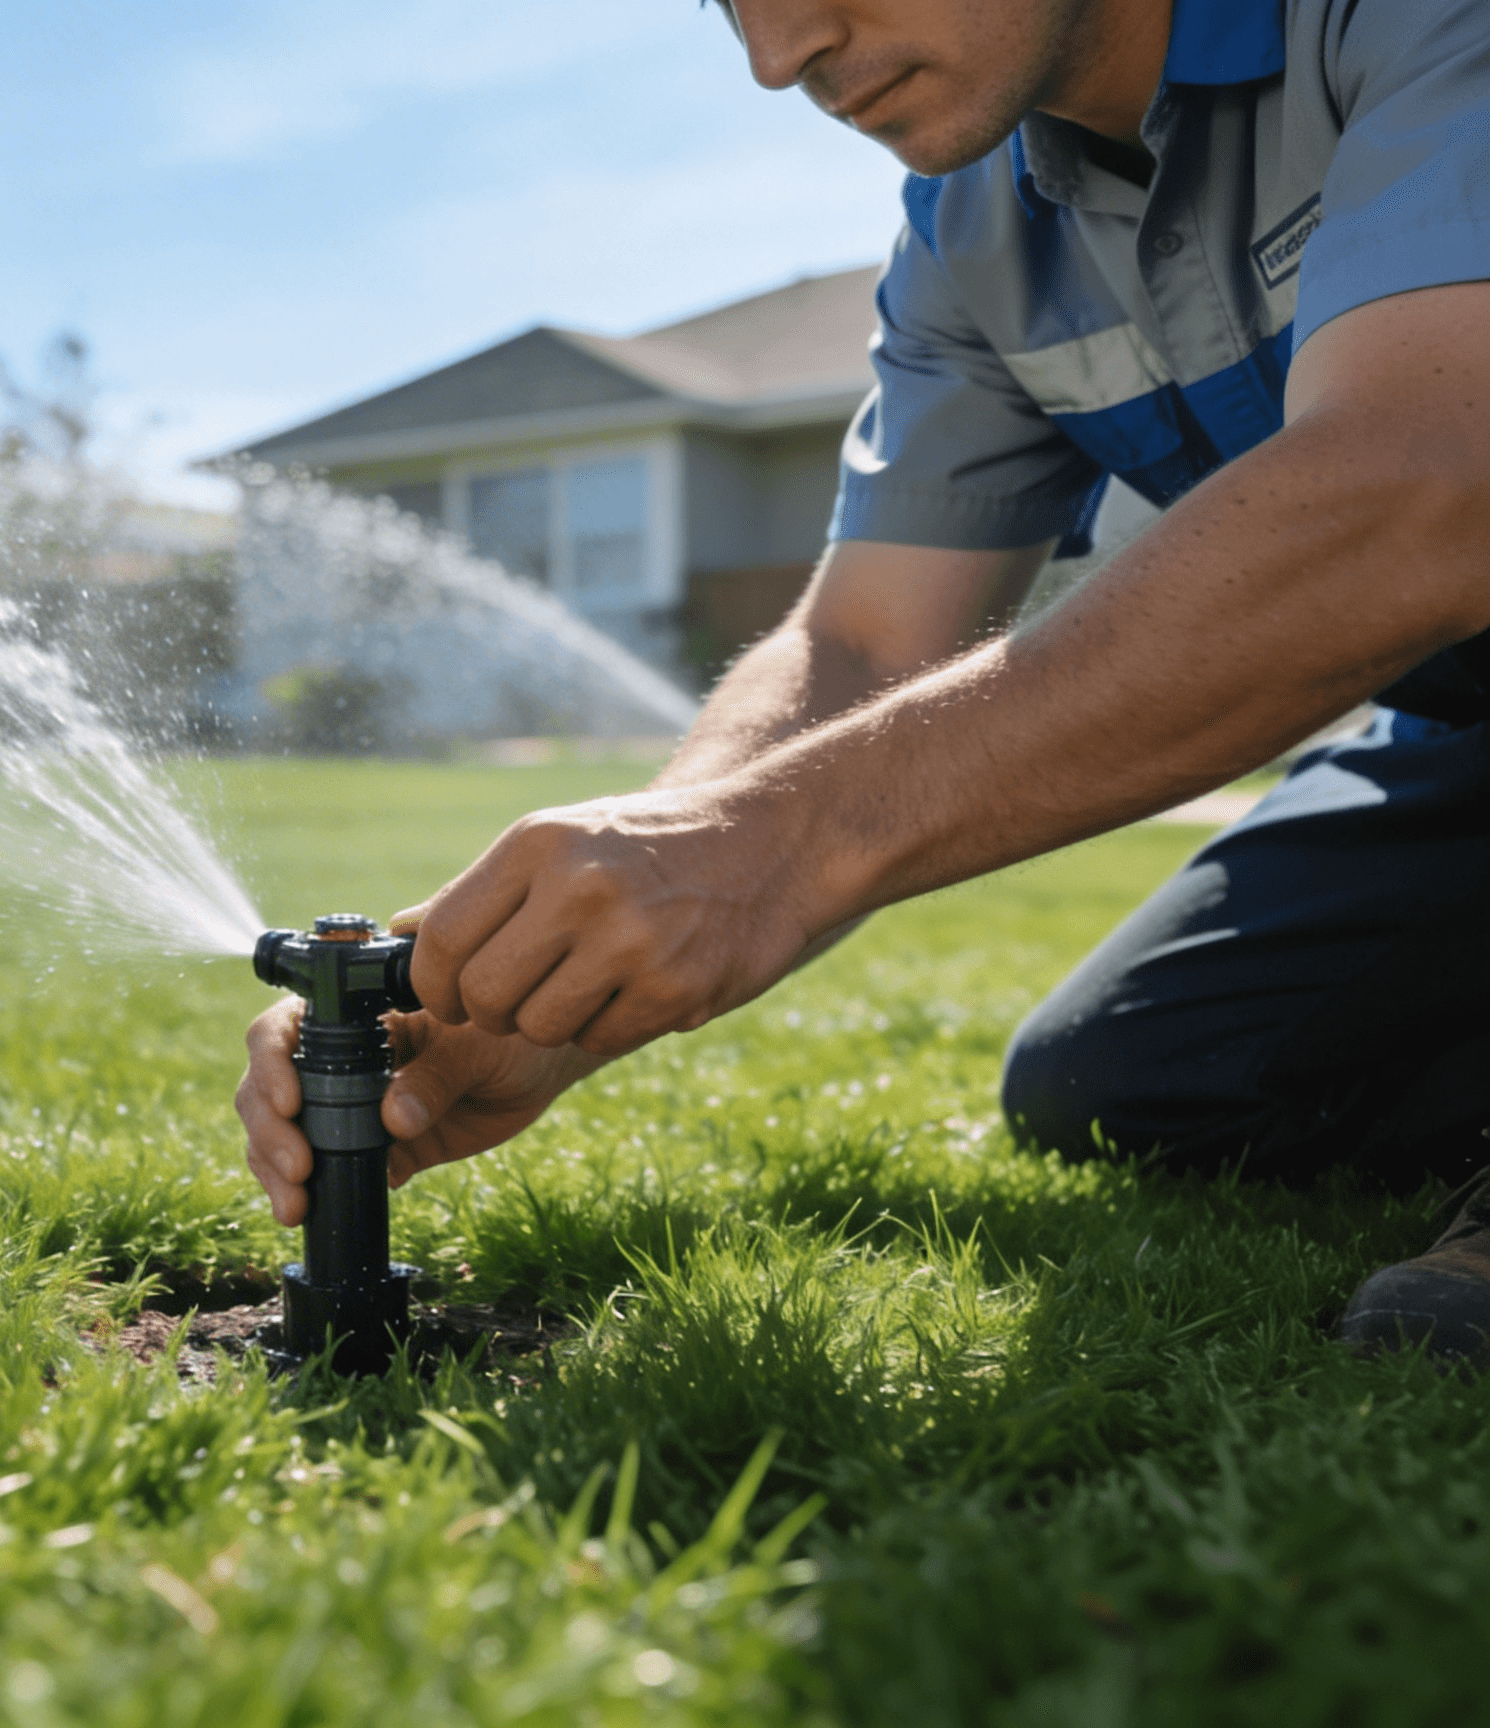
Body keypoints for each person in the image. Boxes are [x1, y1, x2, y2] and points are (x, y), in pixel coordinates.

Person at [236, 0, 1490, 1360]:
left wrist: (786, 841)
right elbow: (864, 647)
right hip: (1456, 728)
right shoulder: (972, 225)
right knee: (1136, 1078)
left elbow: (1428, 478)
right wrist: (575, 977)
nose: (779, 57)